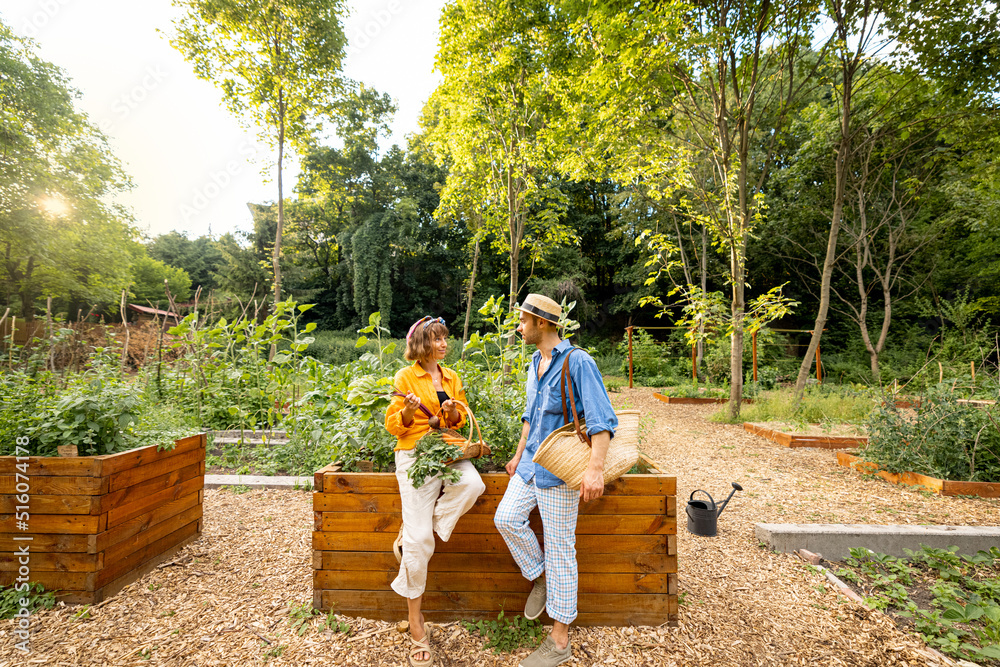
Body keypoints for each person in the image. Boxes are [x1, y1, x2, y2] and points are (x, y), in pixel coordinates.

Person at [494, 294, 619, 667]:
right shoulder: (536, 361)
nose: (519, 328)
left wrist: (594, 469)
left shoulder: (578, 362)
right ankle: (541, 577)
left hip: (562, 472)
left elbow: (602, 420)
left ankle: (559, 640)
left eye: (522, 321)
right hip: (532, 464)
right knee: (506, 518)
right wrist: (518, 455)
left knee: (561, 548)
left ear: (542, 323)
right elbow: (530, 415)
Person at [385, 316, 486, 667]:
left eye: (445, 338)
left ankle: (419, 531)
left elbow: (458, 419)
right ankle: (416, 625)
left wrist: (451, 412)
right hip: (414, 453)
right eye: (437, 339)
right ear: (422, 345)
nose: (444, 344)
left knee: (474, 484)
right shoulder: (405, 377)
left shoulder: (452, 377)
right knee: (419, 542)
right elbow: (392, 426)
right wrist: (410, 412)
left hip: (445, 449)